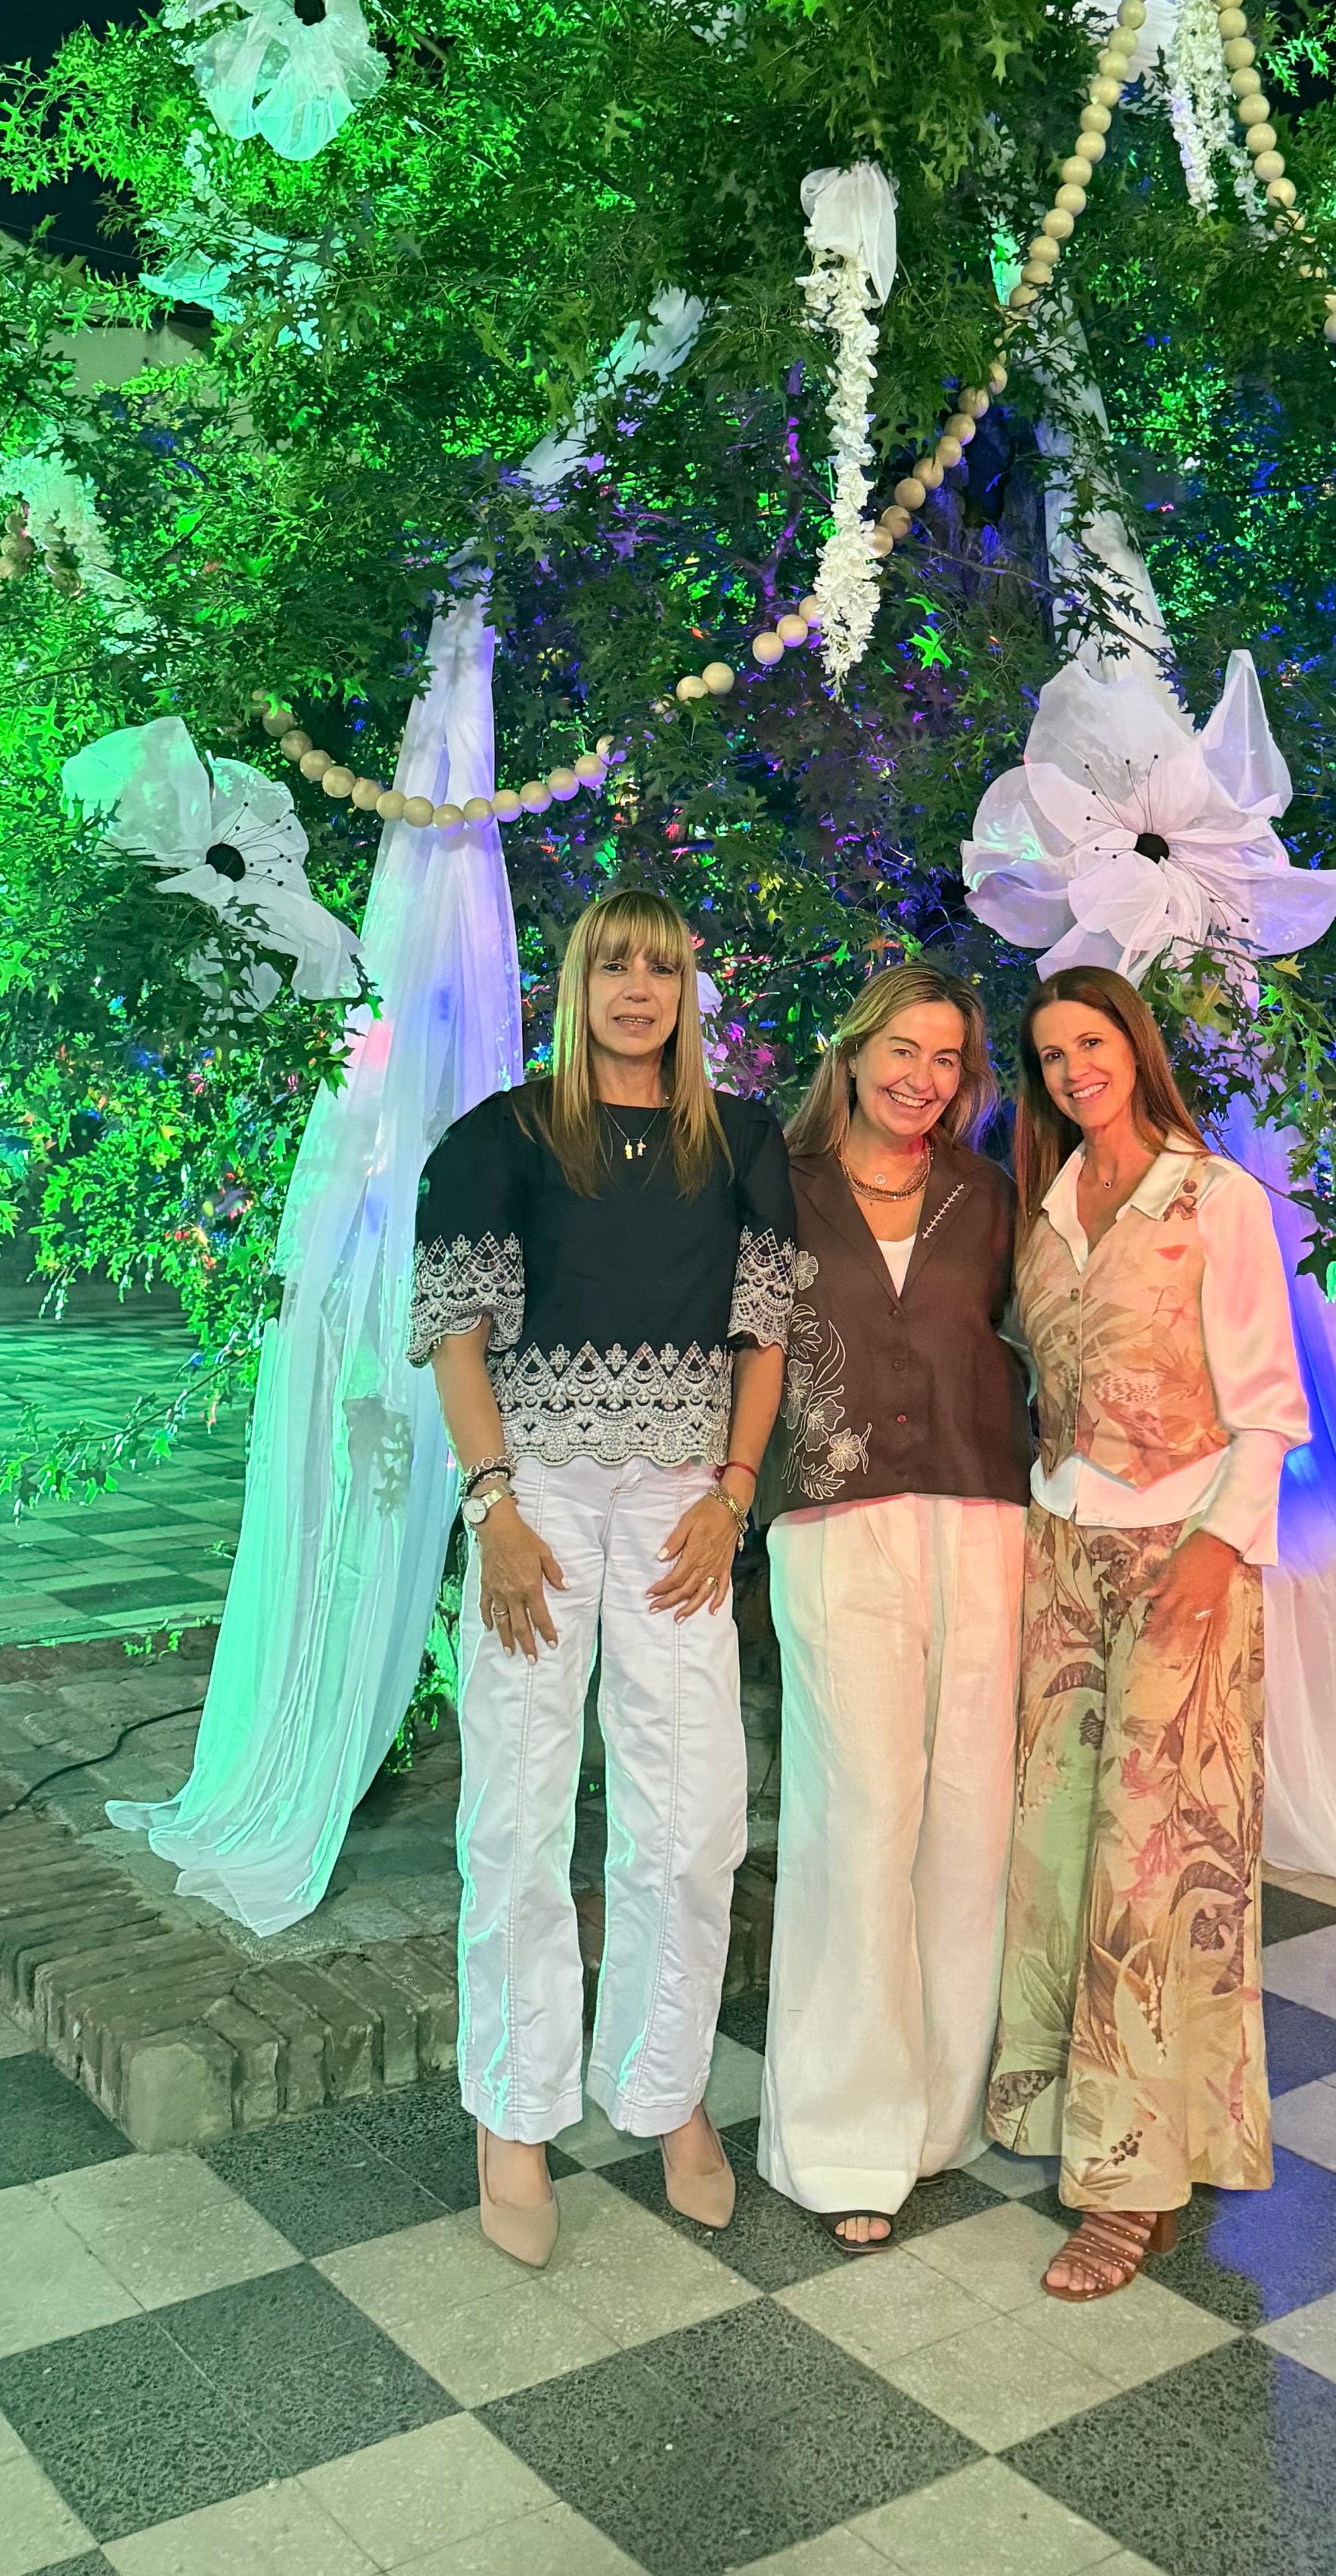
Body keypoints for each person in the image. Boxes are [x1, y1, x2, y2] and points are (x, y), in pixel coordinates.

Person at [408, 886, 794, 2264]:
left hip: (685, 1503)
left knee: (690, 1816)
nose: (639, 989)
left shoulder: (742, 1140)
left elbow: (764, 1341)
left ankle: (663, 2084)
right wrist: (493, 1505)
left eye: (663, 968)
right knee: (517, 1812)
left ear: (689, 990)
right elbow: (458, 1338)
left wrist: (734, 1494)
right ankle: (513, 2111)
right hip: (539, 1497)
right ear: (576, 986)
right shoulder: (500, 1137)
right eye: (614, 966)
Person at [986, 965, 1309, 2300]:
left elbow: (1270, 1403)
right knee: (1059, 1849)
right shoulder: (1047, 1207)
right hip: (1062, 1552)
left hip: (1185, 1556)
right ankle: (1081, 2116)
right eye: (1053, 1054)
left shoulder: (1213, 1198)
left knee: (1154, 1870)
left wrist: (1217, 1550)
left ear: (1136, 1045)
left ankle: (1131, 2188)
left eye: (1093, 1041)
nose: (1075, 1070)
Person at [757, 965, 1033, 2250]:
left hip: (985, 1516)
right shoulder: (777, 1181)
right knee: (858, 1818)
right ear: (855, 1052)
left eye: (948, 1059)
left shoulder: (991, 1195)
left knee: (969, 1820)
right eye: (904, 1050)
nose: (924, 1078)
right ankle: (842, 2136)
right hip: (833, 1520)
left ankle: (938, 2116)